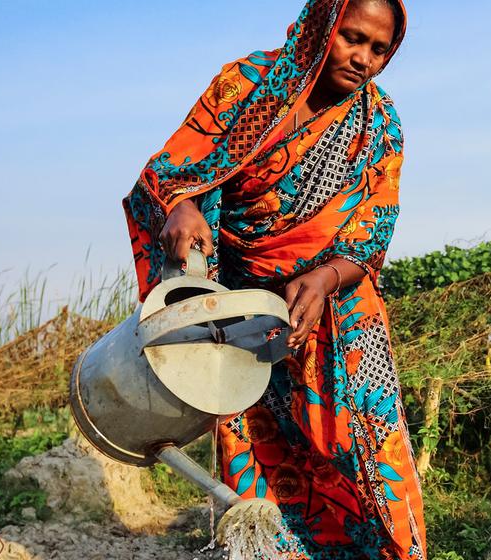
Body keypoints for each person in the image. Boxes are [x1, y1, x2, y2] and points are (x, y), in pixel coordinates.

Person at [121, 0, 425, 557]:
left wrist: (328, 277)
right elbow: (174, 170)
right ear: (322, 25)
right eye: (352, 38)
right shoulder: (246, 87)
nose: (364, 59)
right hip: (242, 305)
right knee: (259, 445)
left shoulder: (379, 126)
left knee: (367, 445)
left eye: (379, 49)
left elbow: (375, 228)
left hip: (338, 308)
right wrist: (182, 206)